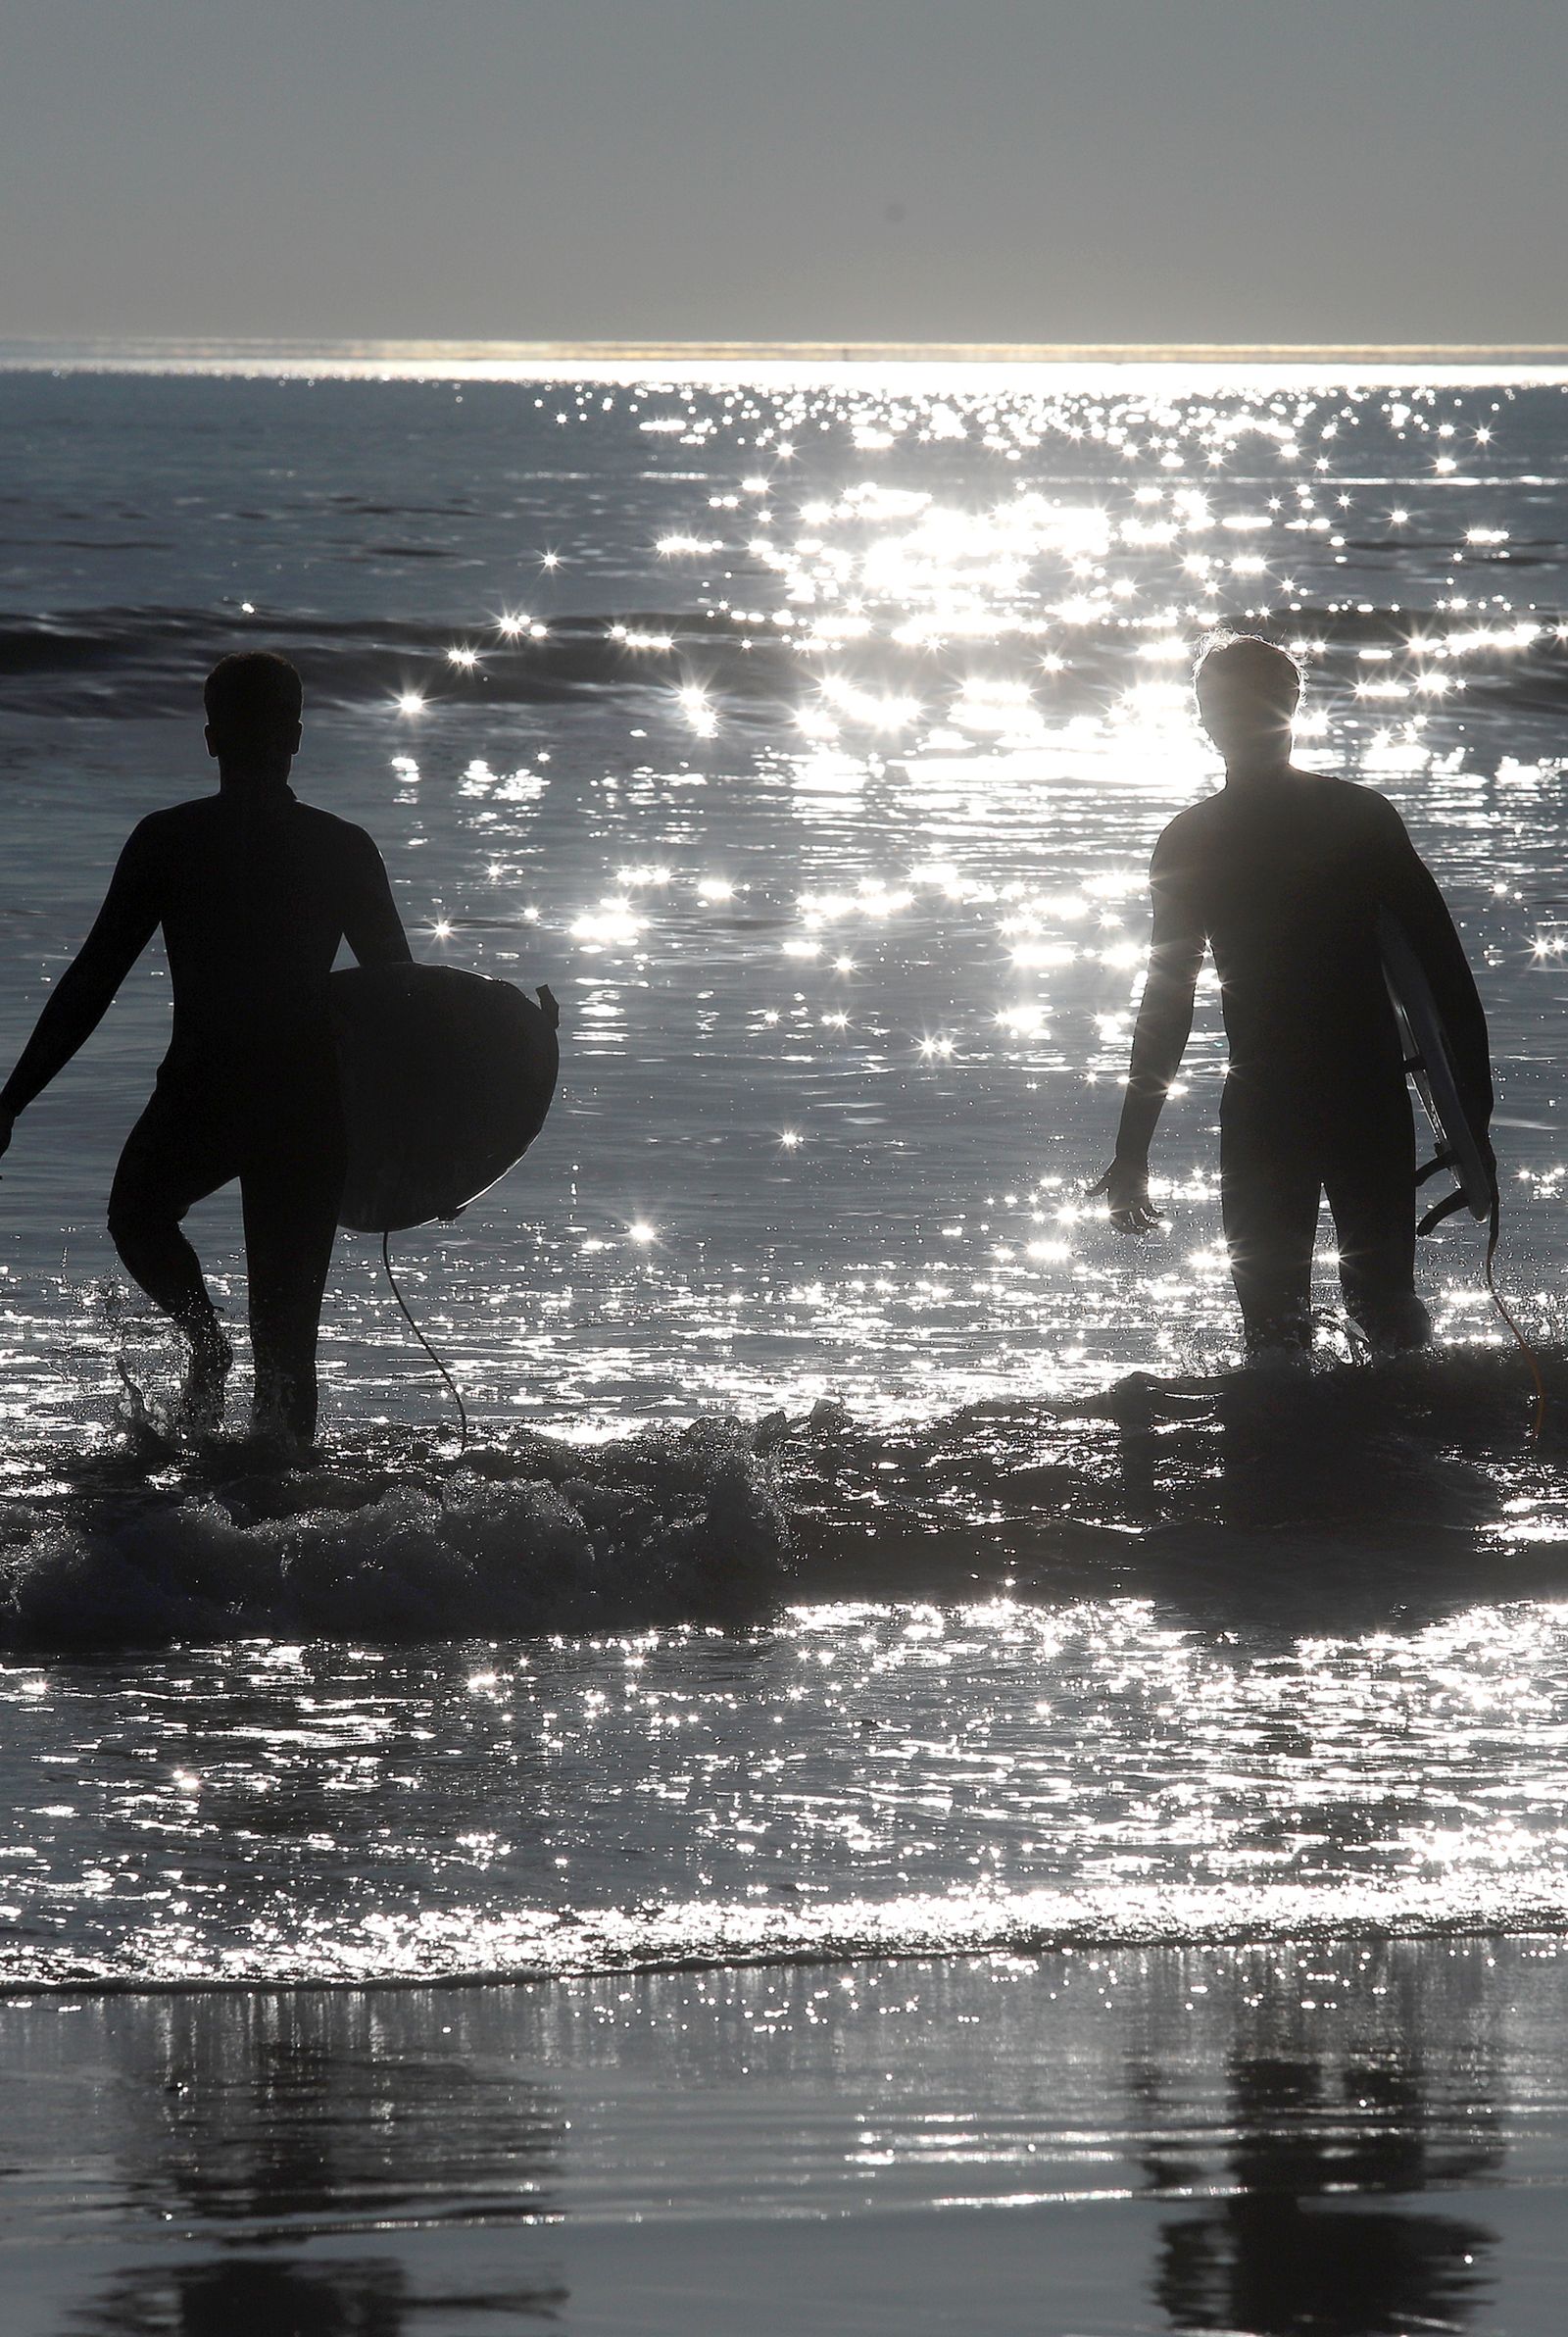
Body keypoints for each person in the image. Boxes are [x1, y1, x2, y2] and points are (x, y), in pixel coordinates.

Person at [0, 651, 412, 1443]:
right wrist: (436, 1140)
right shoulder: (340, 846)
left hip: (210, 1090)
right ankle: (276, 1527)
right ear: (295, 736)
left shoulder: (172, 840)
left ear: (210, 738)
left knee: (139, 1217)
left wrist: (13, 1101)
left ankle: (203, 1343)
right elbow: (402, 1006)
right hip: (301, 1104)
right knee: (285, 1347)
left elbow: (91, 981)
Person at [1092, 632, 1494, 1355]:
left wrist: (1133, 1149)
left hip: (1267, 1102)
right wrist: (1474, 1124)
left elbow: (1167, 1004)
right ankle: (1411, 1444)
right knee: (1386, 1312)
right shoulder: (1357, 817)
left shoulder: (1192, 839)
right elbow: (1445, 974)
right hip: (1360, 1092)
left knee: (1275, 1333)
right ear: (1290, 709)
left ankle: (1284, 1452)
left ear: (1207, 718)